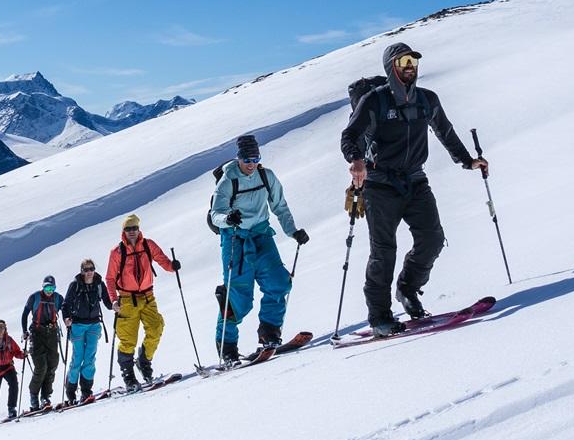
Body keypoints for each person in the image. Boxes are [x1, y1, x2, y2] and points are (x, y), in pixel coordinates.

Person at [340, 41, 487, 334]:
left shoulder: (427, 99)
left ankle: (407, 288)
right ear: (391, 67)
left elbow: (445, 132)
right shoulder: (374, 101)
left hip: (415, 180)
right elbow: (350, 135)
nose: (410, 67)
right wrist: (355, 160)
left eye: (413, 62)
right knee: (383, 252)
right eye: (403, 62)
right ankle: (380, 317)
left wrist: (468, 161)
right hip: (379, 185)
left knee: (433, 239)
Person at [209, 133, 308, 363]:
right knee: (237, 297)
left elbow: (280, 206)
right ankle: (227, 348)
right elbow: (216, 214)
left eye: (256, 159)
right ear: (239, 158)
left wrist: (293, 231)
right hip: (236, 240)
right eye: (247, 160)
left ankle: (270, 332)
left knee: (279, 282)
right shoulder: (228, 180)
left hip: (262, 235)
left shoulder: (266, 176)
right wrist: (228, 219)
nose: (251, 164)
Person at [105, 213, 179, 388]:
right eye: (128, 228)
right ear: (123, 231)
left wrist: (172, 266)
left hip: (147, 296)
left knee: (156, 327)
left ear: (139, 229)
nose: (131, 231)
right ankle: (128, 376)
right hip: (127, 300)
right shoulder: (117, 252)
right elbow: (110, 279)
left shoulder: (148, 245)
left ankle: (144, 360)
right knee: (127, 339)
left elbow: (163, 260)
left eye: (134, 228)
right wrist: (114, 300)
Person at [58, 258, 113, 403]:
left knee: (90, 358)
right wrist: (66, 319)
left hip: (94, 324)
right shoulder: (75, 285)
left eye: (91, 269)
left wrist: (115, 305)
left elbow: (107, 301)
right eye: (86, 269)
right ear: (82, 271)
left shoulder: (99, 284)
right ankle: (70, 391)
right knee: (78, 358)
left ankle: (86, 391)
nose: (89, 272)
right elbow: (65, 305)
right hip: (77, 325)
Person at [21, 276, 65, 410]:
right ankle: (34, 395)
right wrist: (24, 331)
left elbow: (66, 310)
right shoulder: (34, 297)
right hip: (37, 334)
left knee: (52, 365)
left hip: (52, 333)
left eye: (52, 288)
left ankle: (45, 396)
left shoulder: (58, 298)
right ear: (43, 287)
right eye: (47, 287)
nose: (49, 291)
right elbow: (25, 314)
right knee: (41, 366)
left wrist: (68, 320)